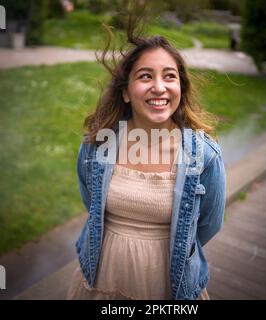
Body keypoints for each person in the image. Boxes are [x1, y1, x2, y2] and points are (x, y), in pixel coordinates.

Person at [66, 13, 226, 301]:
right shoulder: (97, 144)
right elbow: (91, 201)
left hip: (169, 286)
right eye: (145, 76)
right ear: (126, 92)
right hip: (100, 278)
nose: (159, 87)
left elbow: (209, 224)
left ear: (181, 88)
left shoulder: (204, 156)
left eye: (169, 76)